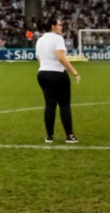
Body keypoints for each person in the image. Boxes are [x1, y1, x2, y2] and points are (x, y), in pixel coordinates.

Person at [35, 16, 81, 144]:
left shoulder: (40, 40)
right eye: (60, 24)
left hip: (43, 73)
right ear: (53, 26)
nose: (61, 27)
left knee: (49, 105)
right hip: (57, 73)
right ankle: (70, 135)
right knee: (64, 105)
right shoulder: (58, 38)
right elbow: (61, 57)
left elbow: (39, 58)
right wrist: (75, 73)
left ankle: (49, 136)